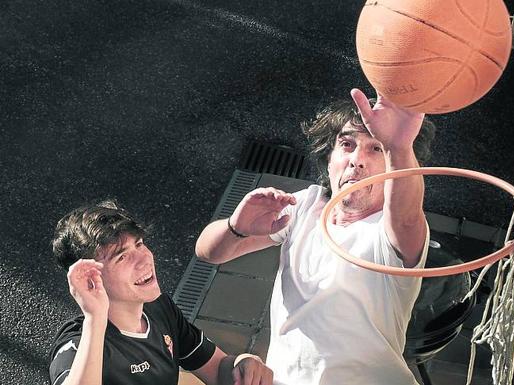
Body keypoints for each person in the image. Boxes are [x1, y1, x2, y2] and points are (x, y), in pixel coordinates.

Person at [195, 88, 436, 385]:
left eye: (377, 149)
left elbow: (407, 216)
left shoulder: (389, 230)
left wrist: (399, 148)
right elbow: (209, 253)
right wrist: (236, 227)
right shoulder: (306, 205)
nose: (356, 160)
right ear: (329, 156)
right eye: (347, 144)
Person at [49, 200, 273, 385]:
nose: (144, 259)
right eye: (122, 257)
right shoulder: (76, 346)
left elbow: (216, 368)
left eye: (139, 244)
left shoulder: (159, 310)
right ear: (90, 279)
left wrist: (241, 365)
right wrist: (95, 317)